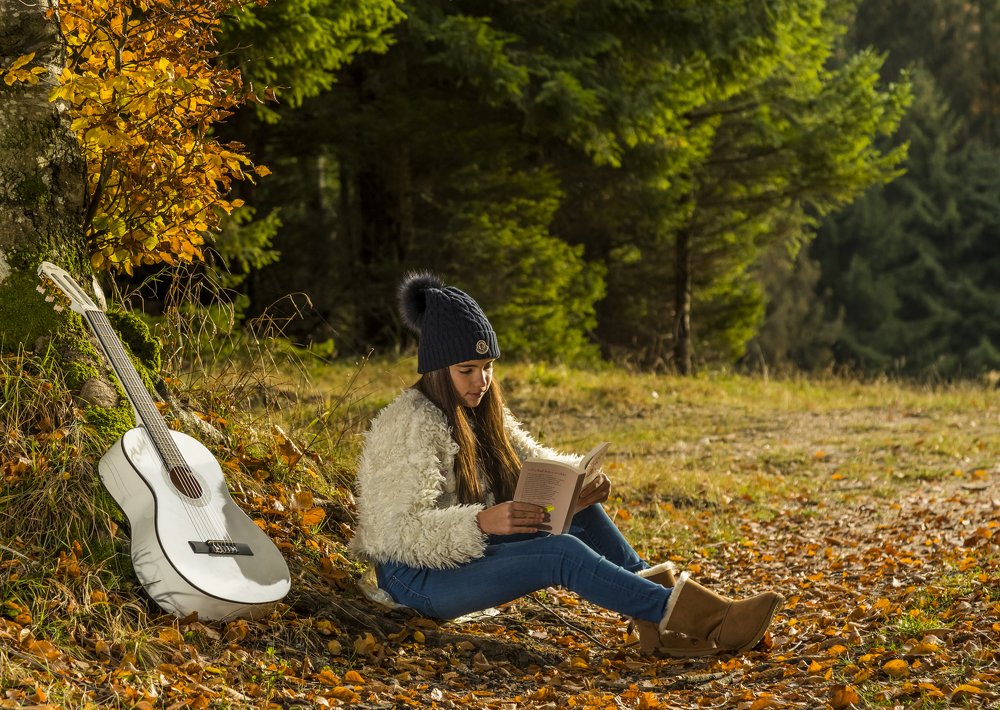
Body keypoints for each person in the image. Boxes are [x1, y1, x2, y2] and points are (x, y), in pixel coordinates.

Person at [349, 273, 782, 657]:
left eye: (488, 367)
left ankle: (660, 621)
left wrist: (579, 482)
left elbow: (535, 462)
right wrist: (480, 523)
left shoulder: (481, 411)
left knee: (583, 513)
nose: (481, 382)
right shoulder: (408, 423)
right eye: (467, 370)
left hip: (464, 554)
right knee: (560, 553)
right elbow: (395, 534)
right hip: (415, 578)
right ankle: (705, 620)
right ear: (437, 370)